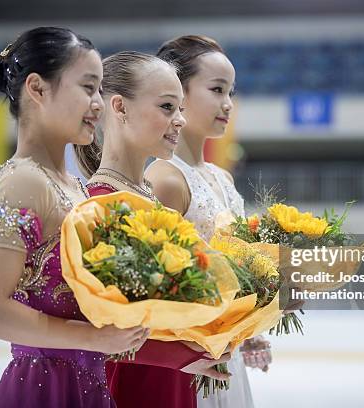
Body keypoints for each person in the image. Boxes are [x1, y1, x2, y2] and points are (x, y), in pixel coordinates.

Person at [0, 27, 149, 407]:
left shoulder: (75, 186)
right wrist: (93, 339)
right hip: (42, 387)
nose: (98, 103)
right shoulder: (23, 180)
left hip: (87, 384)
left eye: (99, 89)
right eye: (87, 87)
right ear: (37, 88)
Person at [74, 50, 231, 408]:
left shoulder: (150, 198)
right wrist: (184, 354)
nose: (179, 121)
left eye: (180, 109)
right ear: (119, 107)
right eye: (166, 107)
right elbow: (95, 332)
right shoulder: (99, 205)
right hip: (134, 389)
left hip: (177, 383)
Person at [146, 35, 272, 408]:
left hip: (223, 355)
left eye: (231, 91)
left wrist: (246, 328)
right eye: (217, 90)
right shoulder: (164, 179)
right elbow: (153, 292)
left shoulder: (222, 177)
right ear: (178, 93)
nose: (228, 103)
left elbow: (236, 271)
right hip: (188, 366)